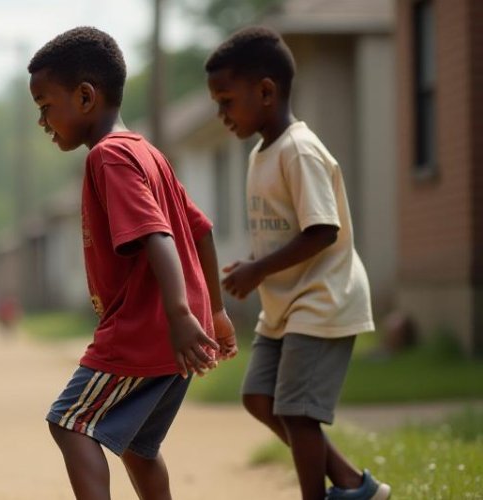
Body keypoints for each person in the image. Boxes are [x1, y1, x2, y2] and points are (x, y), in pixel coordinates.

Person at [28, 27, 236, 500]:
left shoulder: (110, 156)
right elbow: (199, 230)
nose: (43, 121)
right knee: (139, 446)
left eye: (45, 107)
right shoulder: (147, 153)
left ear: (85, 97)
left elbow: (158, 234)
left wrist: (182, 315)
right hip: (173, 323)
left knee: (71, 423)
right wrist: (216, 312)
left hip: (148, 325)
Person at [206, 26, 391, 500]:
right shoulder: (259, 154)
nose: (221, 114)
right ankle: (353, 484)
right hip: (284, 305)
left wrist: (259, 270)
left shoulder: (300, 150)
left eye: (227, 101)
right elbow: (284, 229)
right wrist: (256, 263)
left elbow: (322, 230)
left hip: (322, 299)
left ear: (265, 91)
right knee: (258, 397)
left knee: (297, 412)